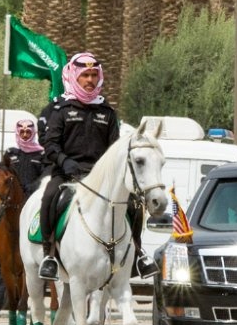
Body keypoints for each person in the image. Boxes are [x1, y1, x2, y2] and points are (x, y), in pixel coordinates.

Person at [38, 52, 156, 281]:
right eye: (85, 75)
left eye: (93, 75)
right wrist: (65, 161)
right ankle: (49, 254)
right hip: (67, 174)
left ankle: (139, 253)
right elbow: (50, 145)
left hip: (101, 179)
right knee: (49, 197)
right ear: (75, 76)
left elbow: (115, 149)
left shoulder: (107, 112)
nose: (90, 80)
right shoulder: (61, 109)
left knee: (133, 204)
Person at [3, 117, 46, 199]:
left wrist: (33, 186)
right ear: (17, 133)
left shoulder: (41, 154)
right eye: (22, 132)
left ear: (33, 133)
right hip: (13, 198)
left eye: (28, 132)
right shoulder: (10, 153)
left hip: (34, 197)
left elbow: (44, 175)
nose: (25, 135)